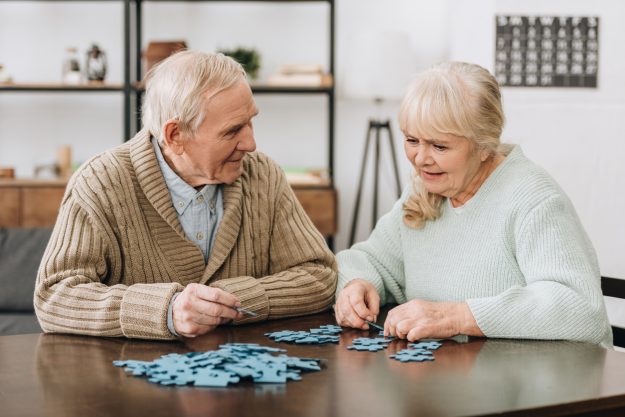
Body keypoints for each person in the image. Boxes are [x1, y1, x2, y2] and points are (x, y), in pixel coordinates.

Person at [35, 50, 337, 340]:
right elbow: (54, 297)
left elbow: (320, 276)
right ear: (175, 136)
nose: (251, 143)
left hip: (244, 381)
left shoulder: (263, 175)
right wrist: (166, 310)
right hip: (129, 385)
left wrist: (228, 302)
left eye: (251, 121)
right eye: (233, 131)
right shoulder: (100, 183)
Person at [334, 62, 612, 346]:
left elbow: (580, 307)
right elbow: (368, 258)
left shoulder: (533, 198)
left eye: (439, 146)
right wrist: (357, 285)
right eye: (411, 140)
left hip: (552, 382)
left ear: (484, 145)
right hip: (454, 379)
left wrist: (458, 316)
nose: (420, 158)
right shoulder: (426, 190)